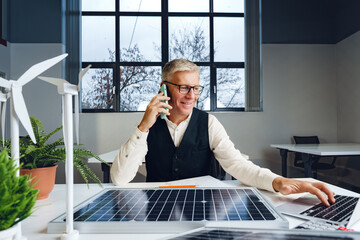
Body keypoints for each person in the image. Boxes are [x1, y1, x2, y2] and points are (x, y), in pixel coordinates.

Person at [110, 59, 335, 206]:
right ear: (164, 88)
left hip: (201, 207)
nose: (191, 95)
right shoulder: (148, 127)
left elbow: (238, 165)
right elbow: (119, 179)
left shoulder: (209, 123)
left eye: (196, 88)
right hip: (158, 208)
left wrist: (278, 181)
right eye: (183, 87)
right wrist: (143, 127)